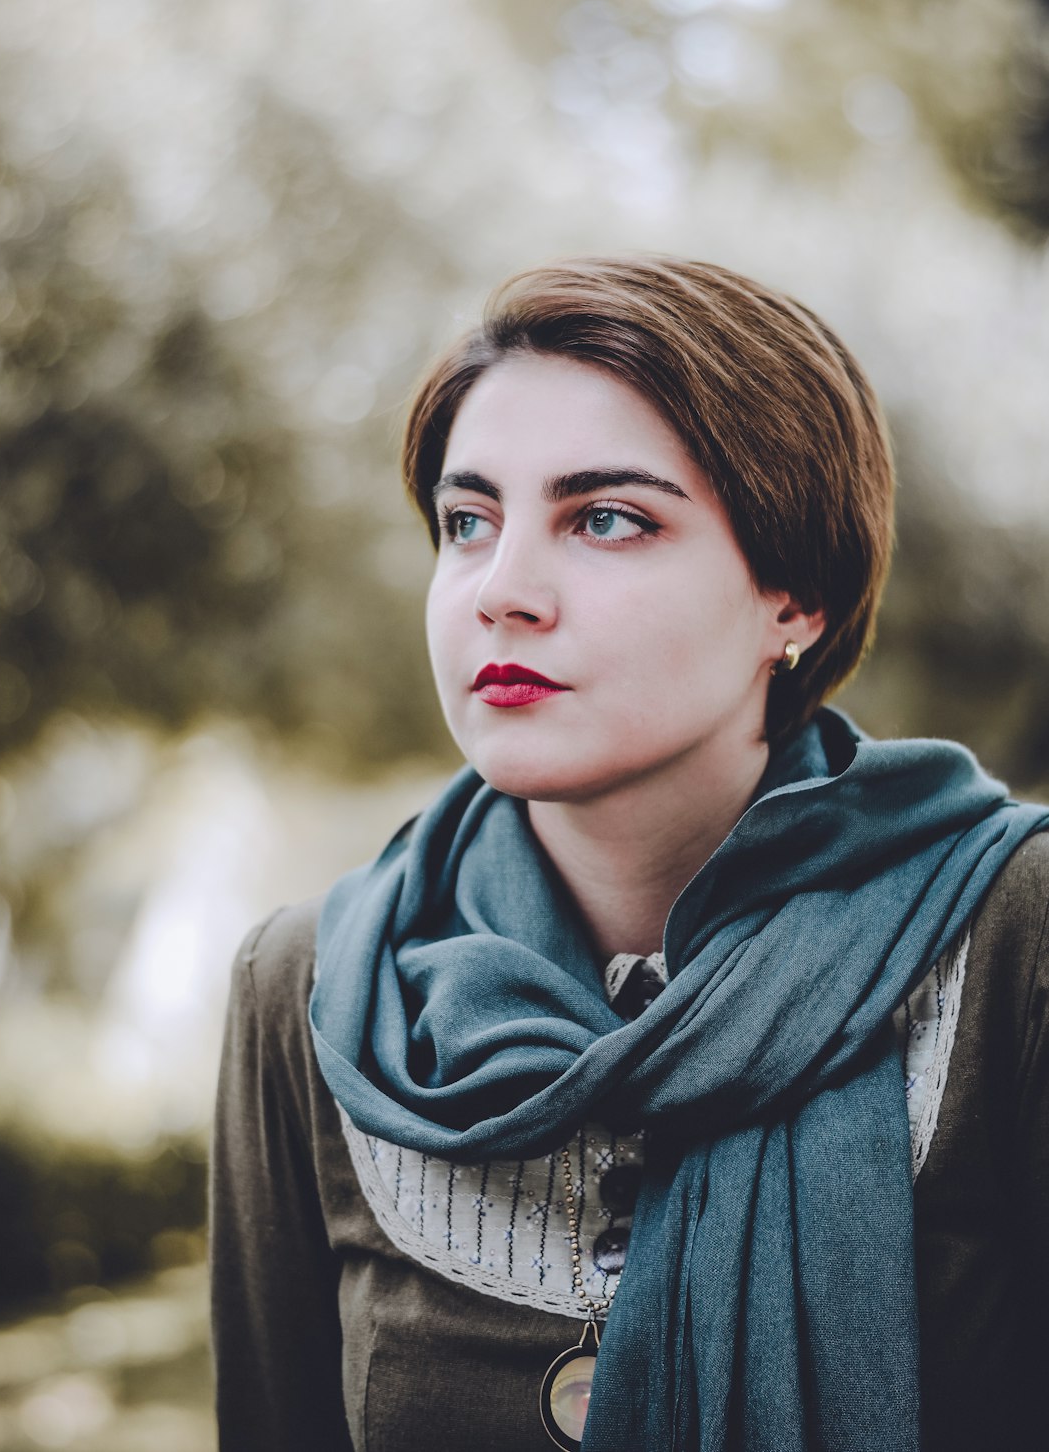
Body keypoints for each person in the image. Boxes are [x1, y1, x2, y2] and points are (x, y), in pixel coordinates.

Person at [209, 255, 1049, 1452]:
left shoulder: (1013, 931)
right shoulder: (310, 987)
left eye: (606, 517)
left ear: (794, 595)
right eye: (468, 519)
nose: (504, 589)